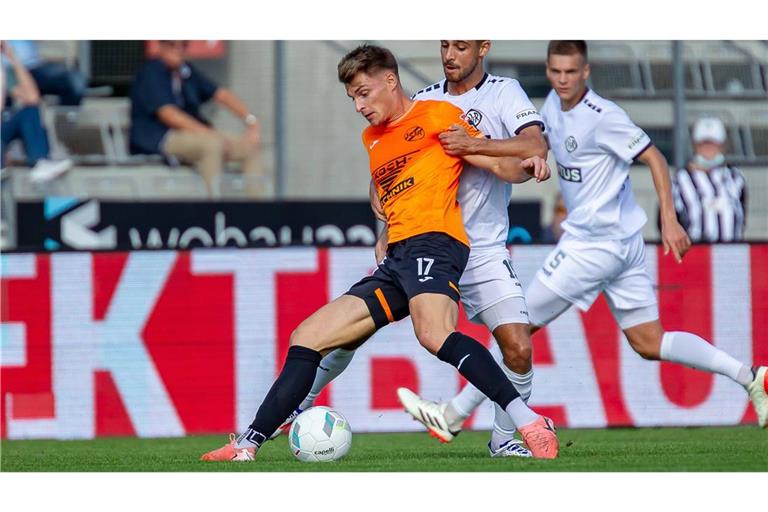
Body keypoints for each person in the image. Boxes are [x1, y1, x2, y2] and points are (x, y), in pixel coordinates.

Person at [200, 44, 559, 461]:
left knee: (434, 334)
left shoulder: (438, 115)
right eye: (352, 97)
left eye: (364, 93)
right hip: (398, 257)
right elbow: (396, 185)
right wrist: (385, 224)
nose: (358, 105)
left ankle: (528, 423)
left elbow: (495, 162)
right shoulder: (372, 138)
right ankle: (247, 444)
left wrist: (527, 166)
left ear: (390, 81)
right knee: (308, 336)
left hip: (437, 242)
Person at [397, 40, 767, 436]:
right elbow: (535, 147)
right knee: (648, 341)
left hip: (593, 244)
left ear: (585, 73)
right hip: (621, 243)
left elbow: (654, 157)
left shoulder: (603, 116)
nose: (562, 80)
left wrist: (670, 219)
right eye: (555, 72)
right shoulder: (552, 108)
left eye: (570, 73)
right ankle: (750, 376)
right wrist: (532, 160)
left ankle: (452, 415)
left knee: (516, 332)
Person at [129, 40, 262, 196]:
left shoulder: (186, 72)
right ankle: (216, 209)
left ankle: (256, 207)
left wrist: (251, 121)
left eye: (183, 45)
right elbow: (169, 115)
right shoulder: (152, 72)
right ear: (161, 46)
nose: (178, 50)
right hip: (161, 138)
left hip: (194, 135)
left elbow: (221, 94)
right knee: (212, 145)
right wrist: (208, 133)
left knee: (249, 147)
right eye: (172, 44)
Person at [1, 42, 73, 182]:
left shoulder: (4, 71)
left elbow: (32, 97)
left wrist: (13, 58)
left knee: (29, 112)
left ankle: (40, 162)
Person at [669, 116, 746, 242]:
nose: (708, 149)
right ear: (695, 146)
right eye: (704, 144)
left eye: (713, 144)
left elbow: (742, 214)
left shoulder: (736, 177)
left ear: (722, 146)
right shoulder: (680, 179)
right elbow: (668, 220)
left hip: (732, 252)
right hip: (696, 254)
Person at [5, 40, 86, 106]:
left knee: (75, 80)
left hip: (34, 66)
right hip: (6, 70)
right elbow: (32, 98)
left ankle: (63, 121)